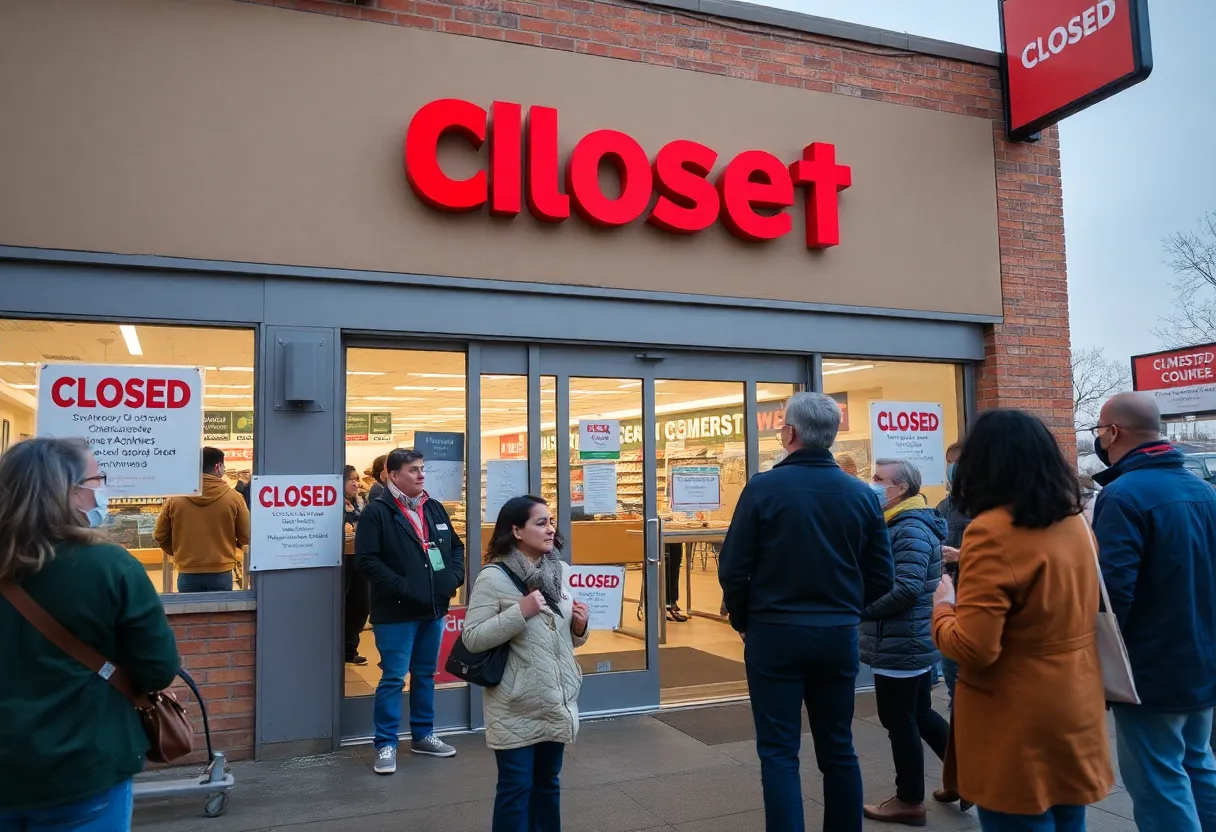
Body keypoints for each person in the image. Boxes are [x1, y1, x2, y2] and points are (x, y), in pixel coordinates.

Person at [719, 392, 894, 832]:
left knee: (778, 751)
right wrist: (847, 610)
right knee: (838, 746)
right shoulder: (861, 495)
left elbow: (733, 568)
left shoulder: (762, 488)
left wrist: (745, 620)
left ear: (790, 432)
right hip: (836, 635)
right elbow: (882, 577)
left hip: (774, 632)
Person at [932, 409, 1113, 832]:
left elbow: (975, 647)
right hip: (1075, 698)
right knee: (1069, 816)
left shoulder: (990, 531)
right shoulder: (1074, 522)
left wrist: (943, 607)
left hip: (1016, 715)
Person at [0, 437, 180, 831]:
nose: (102, 488)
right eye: (98, 478)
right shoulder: (109, 565)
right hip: (84, 766)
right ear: (69, 492)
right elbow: (158, 669)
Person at [1090, 392, 1216, 831]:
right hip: (1202, 658)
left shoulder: (1123, 495)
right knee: (1198, 763)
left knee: (1158, 778)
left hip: (1150, 669)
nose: (1098, 438)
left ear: (1114, 432)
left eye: (1098, 430)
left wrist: (1098, 662)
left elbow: (1112, 594)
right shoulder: (1205, 490)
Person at [464, 496, 589, 832]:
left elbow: (564, 639)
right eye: (541, 523)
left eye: (551, 522)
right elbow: (472, 638)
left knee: (548, 783)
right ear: (517, 530)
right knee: (516, 789)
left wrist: (579, 626)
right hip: (515, 705)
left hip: (556, 699)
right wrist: (520, 611)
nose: (550, 529)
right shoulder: (494, 577)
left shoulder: (559, 570)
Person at [355, 448, 465, 774]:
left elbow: (455, 547)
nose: (421, 475)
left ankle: (423, 734)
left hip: (432, 609)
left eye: (422, 469)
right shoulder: (378, 512)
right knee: (392, 678)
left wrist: (452, 578)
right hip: (396, 613)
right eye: (414, 470)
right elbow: (367, 560)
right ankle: (386, 744)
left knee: (425, 675)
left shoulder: (433, 508)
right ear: (393, 474)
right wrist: (404, 587)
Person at [862, 458, 950, 825]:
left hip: (901, 642)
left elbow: (908, 588)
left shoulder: (908, 527)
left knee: (899, 719)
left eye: (879, 479)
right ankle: (970, 777)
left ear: (900, 489)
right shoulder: (899, 523)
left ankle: (909, 799)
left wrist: (861, 611)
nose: (873, 484)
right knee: (919, 713)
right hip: (907, 639)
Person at [154, 446, 251, 593]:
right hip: (221, 572)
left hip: (187, 572)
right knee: (220, 614)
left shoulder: (175, 498)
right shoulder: (235, 498)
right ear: (218, 467)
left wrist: (179, 551)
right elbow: (246, 537)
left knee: (191, 614)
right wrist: (228, 544)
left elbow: (160, 535)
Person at [342, 465, 370, 666]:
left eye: (356, 478)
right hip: (340, 560)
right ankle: (337, 648)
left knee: (361, 605)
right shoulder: (332, 504)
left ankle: (350, 649)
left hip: (359, 558)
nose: (355, 482)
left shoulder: (362, 503)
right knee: (339, 605)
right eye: (350, 479)